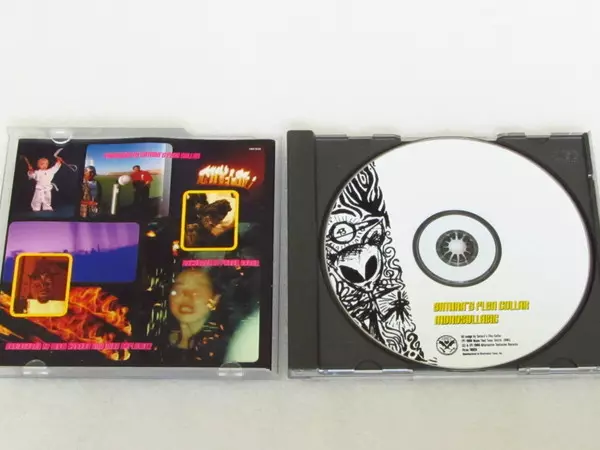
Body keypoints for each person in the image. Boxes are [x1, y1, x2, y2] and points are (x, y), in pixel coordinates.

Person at [166, 269, 229, 363]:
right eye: (178, 290)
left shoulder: (226, 349)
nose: (186, 296)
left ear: (215, 299)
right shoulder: (159, 340)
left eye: (197, 292)